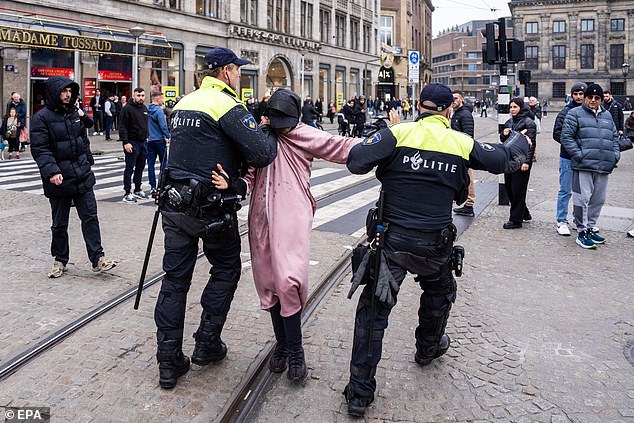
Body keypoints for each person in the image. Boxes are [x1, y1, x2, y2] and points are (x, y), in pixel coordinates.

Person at [342, 83, 529, 417]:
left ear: (419, 106)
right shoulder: (459, 141)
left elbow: (355, 161)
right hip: (434, 243)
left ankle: (359, 393)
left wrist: (385, 135)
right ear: (448, 111)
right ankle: (428, 347)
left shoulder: (399, 134)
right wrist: (520, 136)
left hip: (392, 242)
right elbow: (504, 160)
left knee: (374, 311)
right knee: (439, 292)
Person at [213, 89, 360, 383]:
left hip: (291, 214)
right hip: (261, 218)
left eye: (285, 121)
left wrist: (386, 143)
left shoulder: (306, 135)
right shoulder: (260, 137)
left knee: (289, 280)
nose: (282, 127)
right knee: (268, 283)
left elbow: (341, 146)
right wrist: (233, 185)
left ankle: (296, 350)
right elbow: (250, 175)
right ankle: (282, 344)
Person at [152, 47, 277, 390]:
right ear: (225, 71)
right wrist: (265, 127)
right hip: (212, 208)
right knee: (226, 268)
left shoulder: (183, 103)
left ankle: (168, 362)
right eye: (238, 70)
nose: (240, 75)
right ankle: (207, 343)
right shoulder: (225, 104)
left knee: (175, 280)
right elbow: (264, 153)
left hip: (175, 205)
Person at [30, 76, 115, 278]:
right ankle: (60, 260)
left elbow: (83, 140)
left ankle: (98, 258)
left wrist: (87, 162)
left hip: (82, 176)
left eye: (70, 91)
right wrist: (52, 171)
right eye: (64, 91)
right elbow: (40, 149)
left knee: (90, 217)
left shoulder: (74, 113)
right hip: (59, 179)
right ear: (54, 92)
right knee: (59, 223)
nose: (68, 94)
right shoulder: (41, 118)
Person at [560, 83, 619, 249]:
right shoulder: (574, 113)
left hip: (603, 165)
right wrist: (580, 155)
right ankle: (581, 230)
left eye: (597, 98)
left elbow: (614, 137)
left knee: (598, 199)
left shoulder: (607, 115)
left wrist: (615, 156)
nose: (593, 100)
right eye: (590, 97)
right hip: (583, 165)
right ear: (585, 98)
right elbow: (566, 137)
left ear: (600, 99)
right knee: (582, 199)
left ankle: (591, 227)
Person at [552, 82, 587, 236]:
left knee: (583, 192)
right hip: (567, 156)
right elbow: (557, 133)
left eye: (581, 94)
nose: (578, 97)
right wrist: (573, 146)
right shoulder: (565, 112)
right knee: (565, 190)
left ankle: (579, 220)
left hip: (585, 157)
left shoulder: (591, 111)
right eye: (576, 94)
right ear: (572, 95)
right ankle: (561, 220)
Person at [500, 97, 537, 229]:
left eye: (515, 107)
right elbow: (504, 141)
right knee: (509, 188)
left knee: (518, 190)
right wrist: (503, 134)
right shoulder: (509, 122)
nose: (512, 110)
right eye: (511, 107)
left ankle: (516, 220)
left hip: (522, 160)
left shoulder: (529, 123)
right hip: (509, 159)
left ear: (521, 107)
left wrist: (527, 161)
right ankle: (524, 213)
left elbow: (531, 144)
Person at [119, 87, 149, 203]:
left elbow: (145, 125)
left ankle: (137, 189)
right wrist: (125, 142)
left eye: (142, 95)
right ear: (133, 96)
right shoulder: (127, 109)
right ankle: (127, 192)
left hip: (143, 142)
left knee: (140, 168)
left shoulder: (144, 108)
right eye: (138, 95)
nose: (140, 98)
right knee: (129, 168)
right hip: (132, 142)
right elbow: (122, 127)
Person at [450, 91, 476, 217]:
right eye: (451, 99)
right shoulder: (457, 114)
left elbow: (468, 135)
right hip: (457, 150)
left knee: (468, 177)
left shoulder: (465, 114)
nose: (453, 101)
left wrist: (464, 151)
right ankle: (464, 203)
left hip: (464, 151)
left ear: (461, 99)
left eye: (455, 98)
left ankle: (469, 205)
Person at [147, 91, 170, 197]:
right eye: (162, 98)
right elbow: (163, 126)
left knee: (150, 165)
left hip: (149, 140)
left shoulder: (147, 110)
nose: (163, 100)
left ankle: (152, 186)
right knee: (163, 163)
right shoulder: (159, 111)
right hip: (159, 140)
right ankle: (160, 185)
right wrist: (168, 136)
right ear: (158, 99)